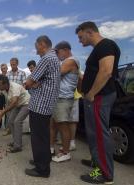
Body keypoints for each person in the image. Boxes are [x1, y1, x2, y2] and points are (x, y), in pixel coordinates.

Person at [76, 21, 120, 184]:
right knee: (93, 133)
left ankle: (105, 174)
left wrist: (92, 93)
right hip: (95, 96)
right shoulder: (98, 49)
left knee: (100, 135)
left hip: (99, 96)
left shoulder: (105, 45)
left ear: (90, 32)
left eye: (81, 37)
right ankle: (97, 161)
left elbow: (107, 71)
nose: (80, 41)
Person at [25, 35, 60, 178]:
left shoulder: (46, 58)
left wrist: (32, 82)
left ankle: (42, 169)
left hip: (40, 105)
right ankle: (42, 160)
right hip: (46, 104)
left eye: (36, 45)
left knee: (39, 137)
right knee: (43, 136)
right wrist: (34, 82)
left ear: (42, 44)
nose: (35, 49)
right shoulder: (54, 58)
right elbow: (34, 81)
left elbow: (29, 81)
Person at [51, 41, 80, 163]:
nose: (57, 55)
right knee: (53, 125)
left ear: (65, 49)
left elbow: (55, 74)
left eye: (57, 52)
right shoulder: (64, 61)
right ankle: (52, 148)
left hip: (64, 98)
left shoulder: (71, 61)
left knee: (63, 126)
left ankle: (66, 152)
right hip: (59, 98)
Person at [0, 75, 30, 153]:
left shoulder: (15, 87)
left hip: (26, 103)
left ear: (5, 84)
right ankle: (16, 141)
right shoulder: (1, 87)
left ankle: (18, 146)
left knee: (17, 121)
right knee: (10, 121)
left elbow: (14, 102)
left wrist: (2, 113)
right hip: (18, 104)